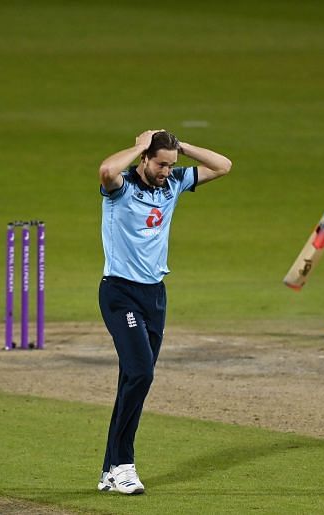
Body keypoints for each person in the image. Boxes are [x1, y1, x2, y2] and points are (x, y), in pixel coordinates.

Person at [96, 130, 232, 494]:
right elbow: (107, 169)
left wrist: (181, 148)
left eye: (171, 165)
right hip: (119, 292)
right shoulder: (121, 187)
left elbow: (223, 166)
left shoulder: (173, 182)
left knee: (133, 381)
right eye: (160, 163)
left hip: (155, 296)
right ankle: (124, 464)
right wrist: (141, 146)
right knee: (140, 374)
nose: (166, 171)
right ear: (144, 159)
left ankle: (110, 470)